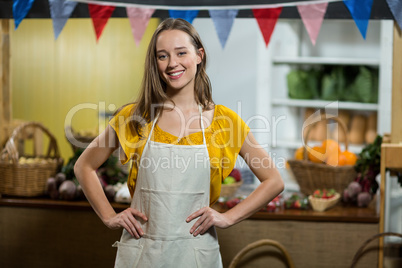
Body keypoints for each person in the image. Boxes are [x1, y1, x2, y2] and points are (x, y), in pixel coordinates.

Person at [74, 18, 284, 268]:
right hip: (142, 253)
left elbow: (274, 181)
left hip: (196, 254)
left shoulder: (225, 122)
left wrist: (227, 218)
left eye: (181, 52)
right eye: (162, 56)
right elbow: (83, 166)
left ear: (199, 55)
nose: (172, 63)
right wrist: (109, 216)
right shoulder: (135, 117)